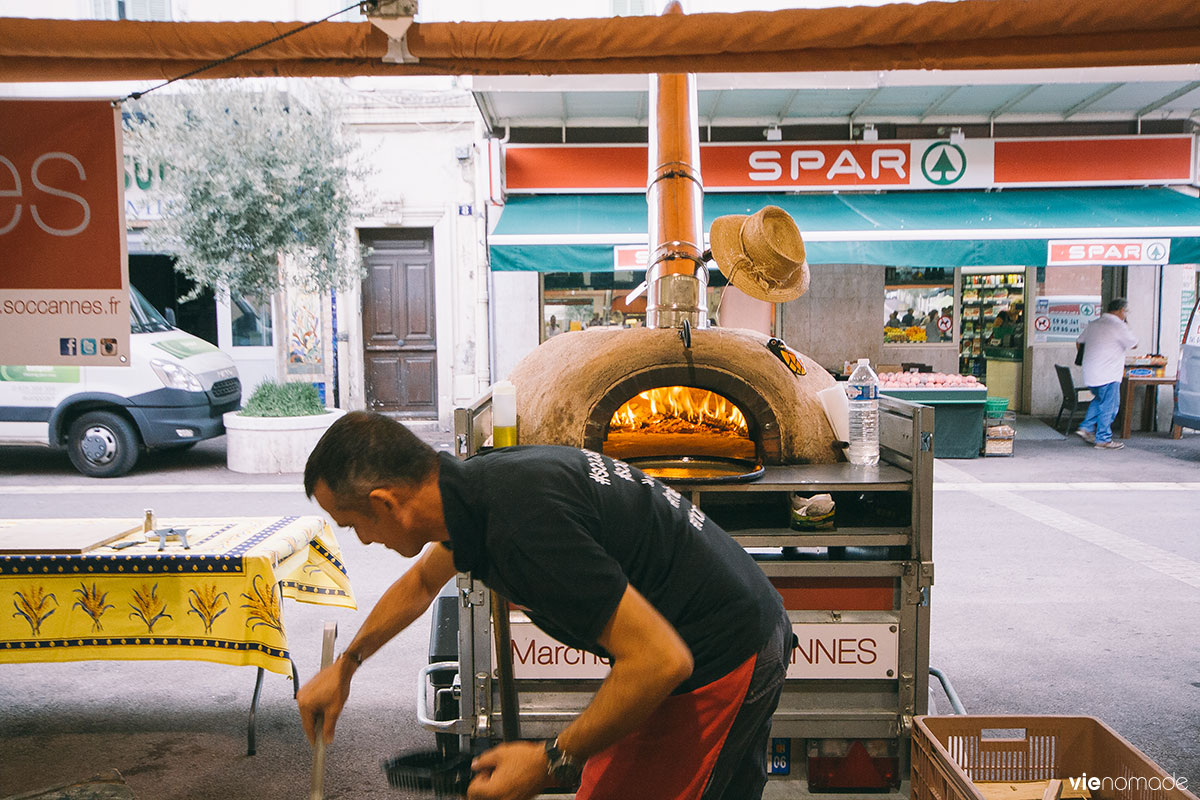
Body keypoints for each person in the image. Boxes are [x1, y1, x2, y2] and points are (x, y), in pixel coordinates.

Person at [297, 412, 792, 800]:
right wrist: (348, 663)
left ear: (385, 503)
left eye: (353, 525)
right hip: (713, 625)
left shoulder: (523, 528)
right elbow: (423, 583)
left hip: (723, 647)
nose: (361, 540)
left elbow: (660, 661)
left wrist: (548, 761)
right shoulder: (473, 492)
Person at [1075, 298, 1137, 450]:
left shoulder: (1094, 324)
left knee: (1099, 400)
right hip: (1109, 373)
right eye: (1126, 311)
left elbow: (1079, 342)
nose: (1125, 314)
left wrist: (1091, 358)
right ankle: (1103, 439)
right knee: (1110, 406)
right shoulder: (1119, 326)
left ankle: (1086, 427)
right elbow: (1134, 344)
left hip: (1091, 373)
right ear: (1120, 310)